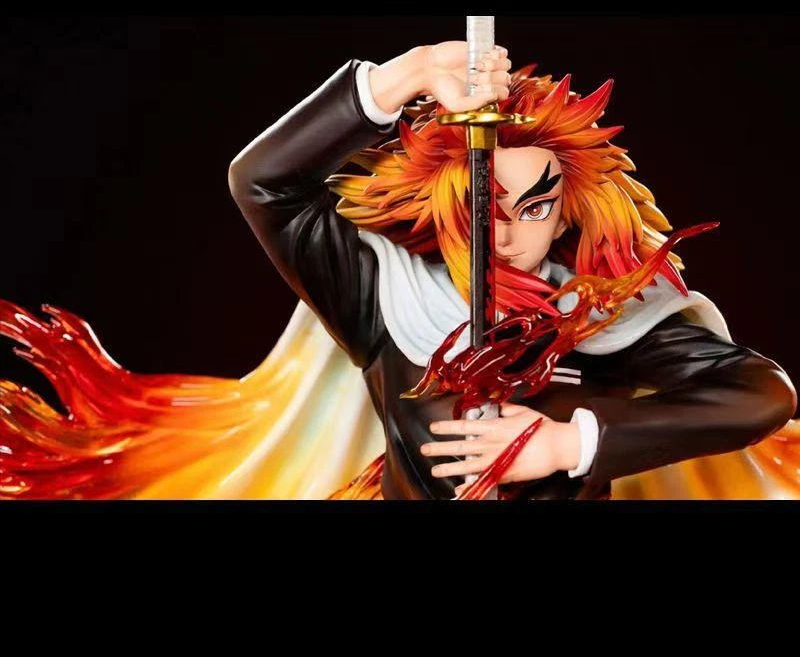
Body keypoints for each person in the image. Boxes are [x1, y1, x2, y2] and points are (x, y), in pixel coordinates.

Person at [227, 41, 797, 501]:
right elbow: (262, 183)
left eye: (535, 209)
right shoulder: (386, 297)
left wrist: (567, 445)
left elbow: (762, 393)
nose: (503, 237)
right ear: (445, 205)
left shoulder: (599, 317)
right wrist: (410, 73)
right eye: (481, 209)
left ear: (566, 213)